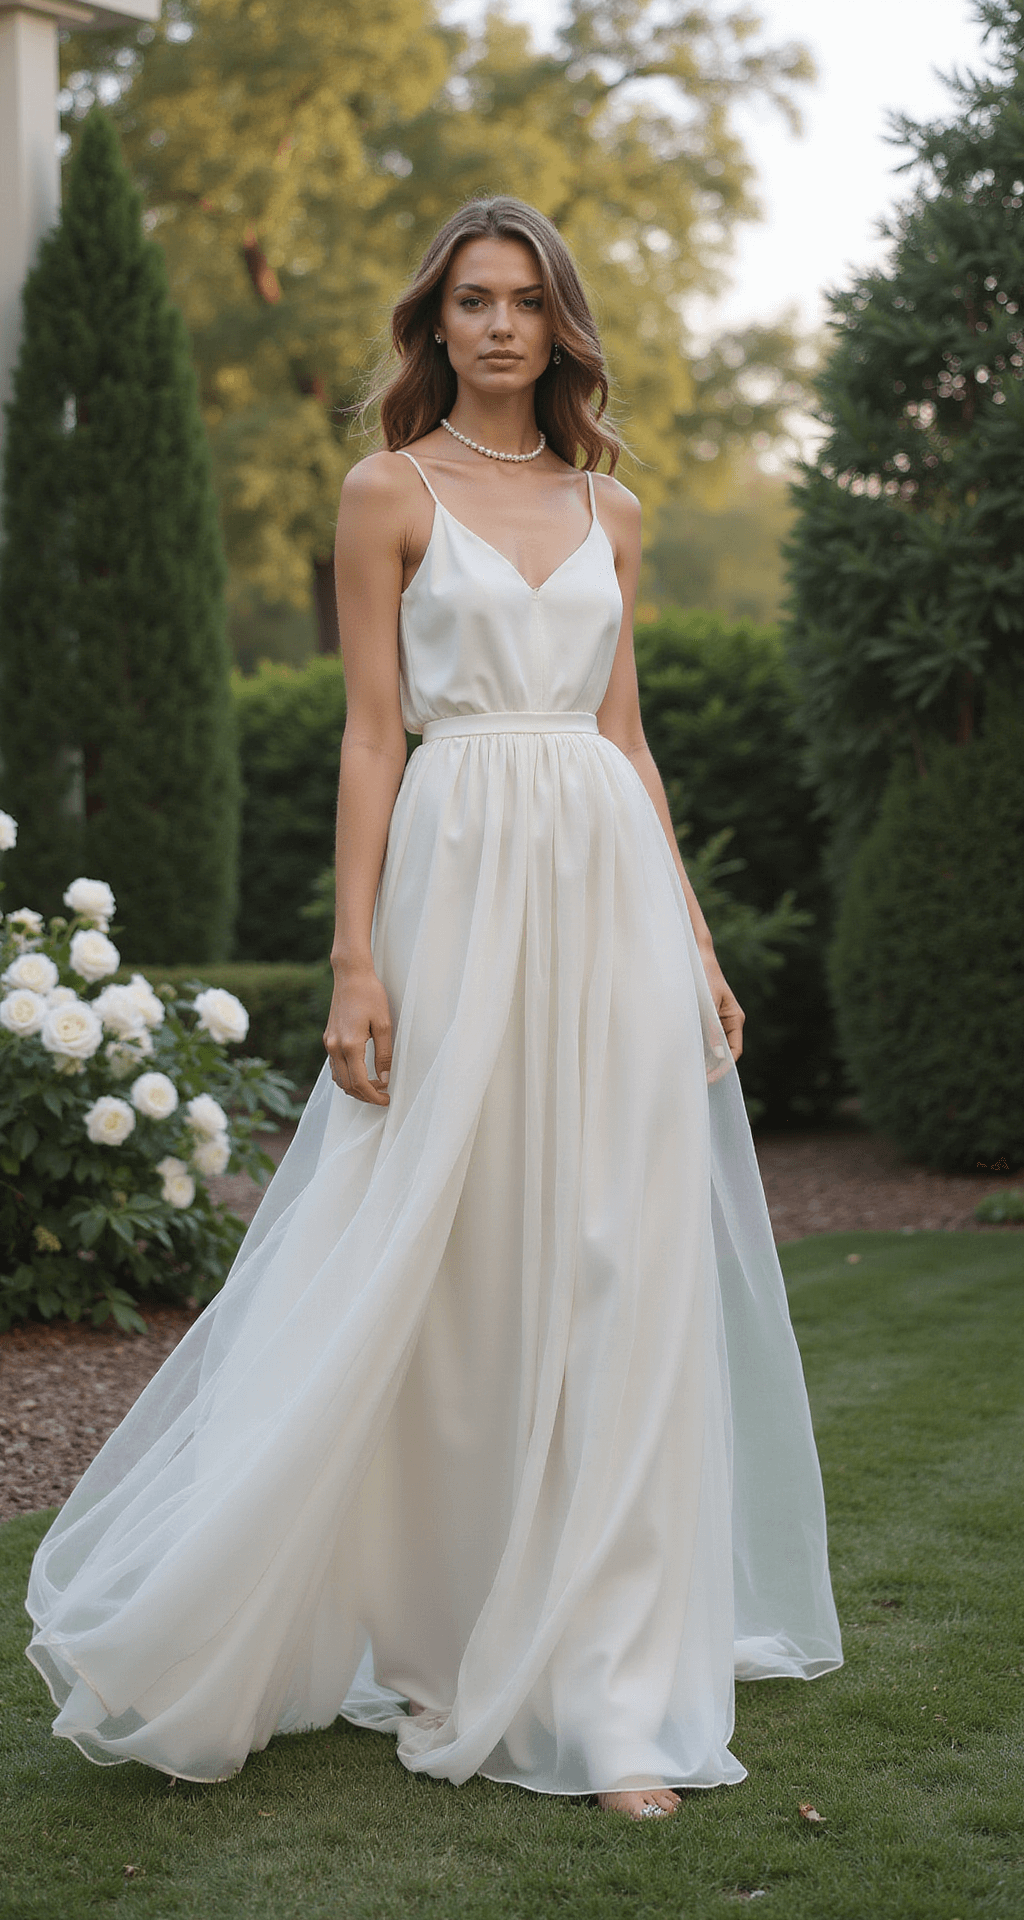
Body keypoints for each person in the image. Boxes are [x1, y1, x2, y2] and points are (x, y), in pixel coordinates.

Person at [26, 198, 842, 1821]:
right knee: (441, 1252)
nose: (496, 328)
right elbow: (370, 739)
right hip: (457, 889)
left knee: (617, 1254)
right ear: (435, 324)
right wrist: (352, 961)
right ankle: (436, 1624)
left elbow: (626, 736)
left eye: (525, 303)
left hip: (606, 893)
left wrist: (693, 938)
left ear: (561, 329)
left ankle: (611, 1692)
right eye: (470, 301)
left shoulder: (612, 510)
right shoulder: (385, 493)